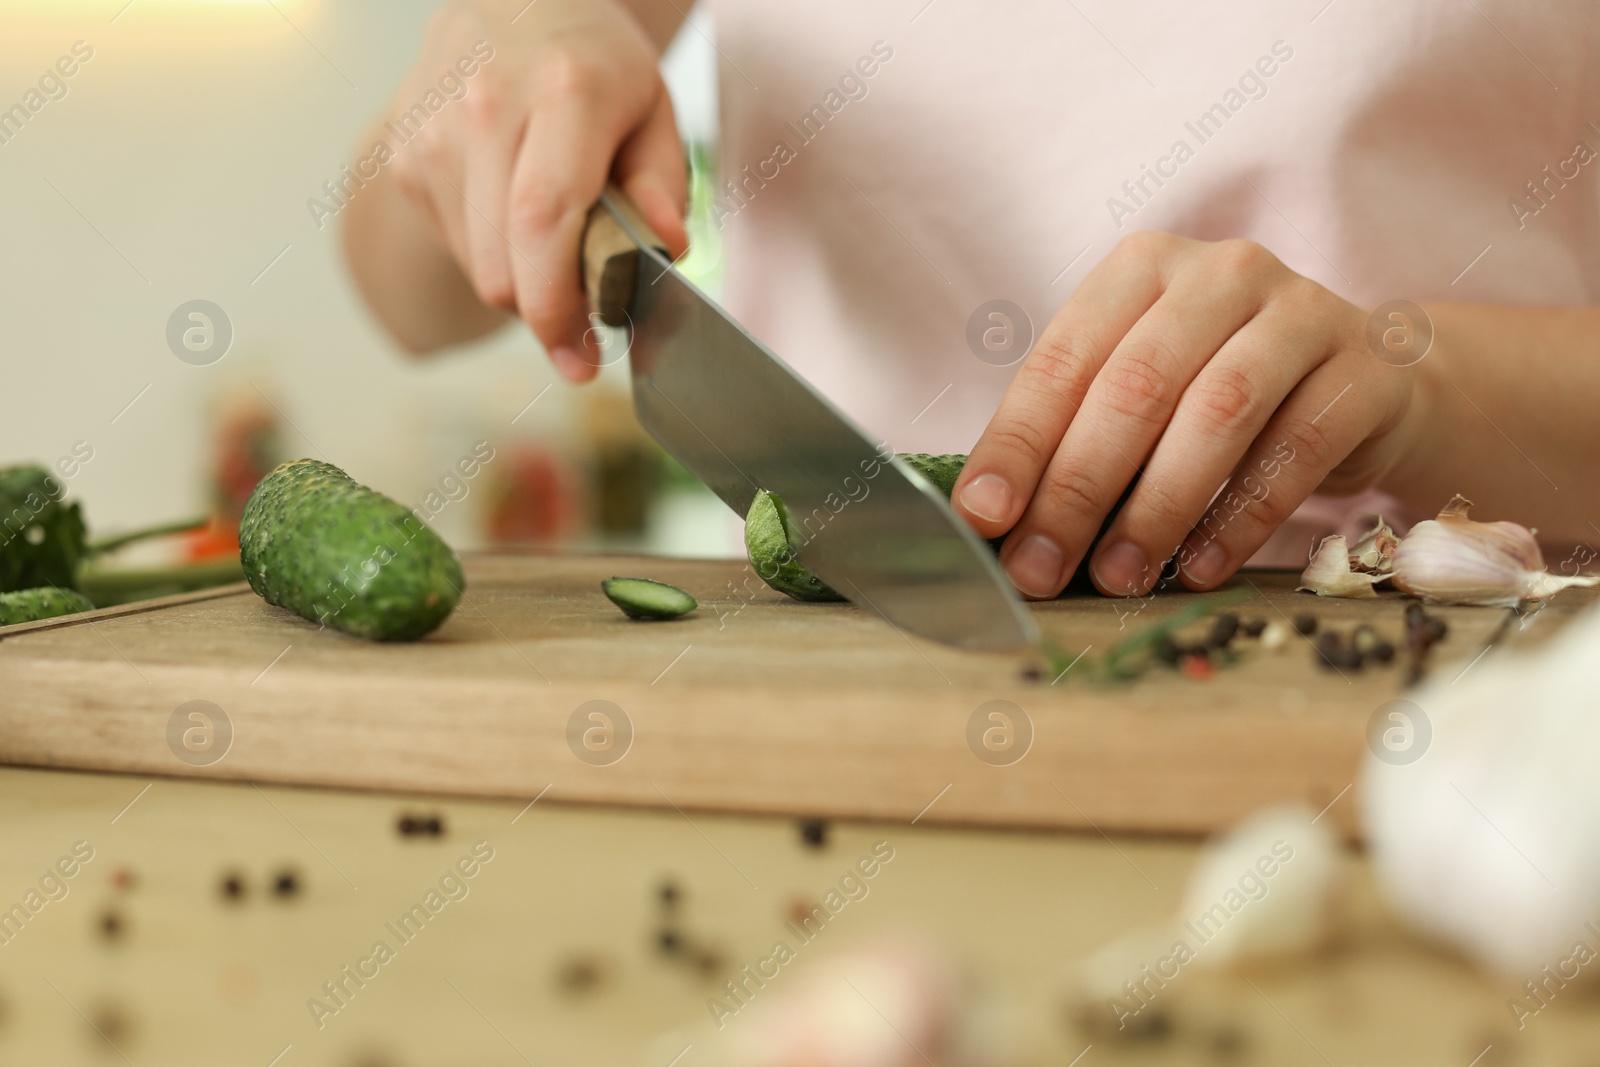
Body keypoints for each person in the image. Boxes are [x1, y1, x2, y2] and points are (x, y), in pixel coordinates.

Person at [343, 0, 1600, 600]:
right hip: (843, 675)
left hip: (1476, 707)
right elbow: (401, 289)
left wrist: (1419, 379)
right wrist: (491, 69)